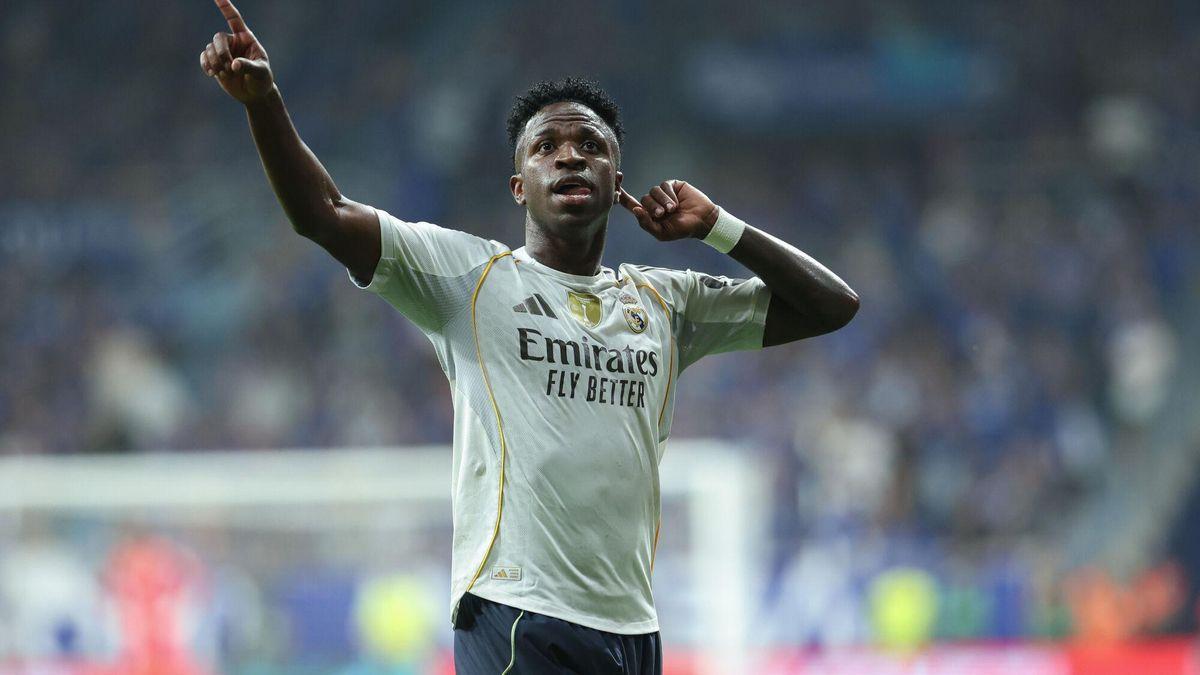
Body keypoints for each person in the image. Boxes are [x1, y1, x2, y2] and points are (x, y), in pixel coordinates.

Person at [199, 1, 859, 672]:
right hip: (518, 616)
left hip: (633, 627)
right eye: (547, 147)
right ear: (520, 186)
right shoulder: (469, 278)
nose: (570, 156)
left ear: (617, 184)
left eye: (591, 147)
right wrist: (264, 102)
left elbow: (833, 305)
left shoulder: (666, 301)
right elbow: (325, 214)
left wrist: (718, 225)